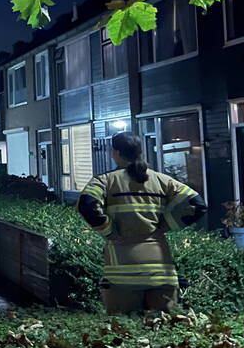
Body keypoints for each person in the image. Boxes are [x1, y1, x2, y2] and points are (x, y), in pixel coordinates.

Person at [77, 131, 207, 314]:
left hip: (122, 271)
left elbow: (87, 204)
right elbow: (197, 205)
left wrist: (109, 231)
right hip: (162, 270)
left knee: (123, 331)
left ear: (115, 153)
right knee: (166, 328)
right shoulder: (162, 180)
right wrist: (165, 225)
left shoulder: (105, 181)